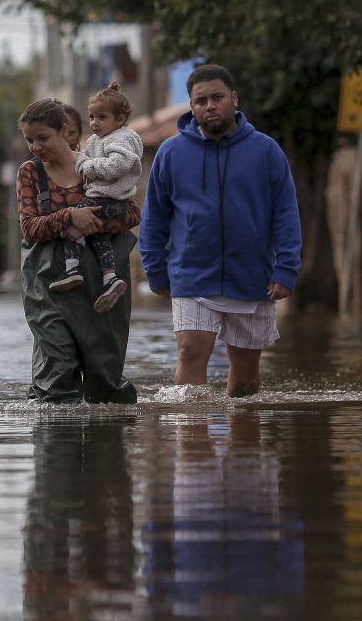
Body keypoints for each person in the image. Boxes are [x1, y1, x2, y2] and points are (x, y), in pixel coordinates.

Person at [139, 64, 302, 398]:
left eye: (217, 97)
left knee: (245, 371)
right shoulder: (171, 153)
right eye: (200, 101)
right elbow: (154, 216)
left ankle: (242, 447)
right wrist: (155, 270)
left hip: (252, 275)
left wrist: (286, 268)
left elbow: (286, 213)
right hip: (191, 274)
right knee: (190, 352)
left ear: (234, 98)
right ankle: (192, 443)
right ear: (191, 106)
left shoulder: (266, 151)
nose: (209, 106)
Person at [16, 98, 141, 404]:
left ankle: (108, 442)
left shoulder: (94, 166)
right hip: (47, 285)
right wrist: (69, 217)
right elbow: (29, 228)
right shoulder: (29, 173)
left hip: (100, 283)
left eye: (43, 138)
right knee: (56, 366)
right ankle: (56, 440)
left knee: (104, 377)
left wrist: (94, 223)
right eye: (29, 140)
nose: (35, 147)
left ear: (65, 131)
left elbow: (131, 214)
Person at [52, 81, 145, 314]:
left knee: (69, 222)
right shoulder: (97, 140)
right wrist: (84, 161)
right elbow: (83, 158)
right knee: (99, 238)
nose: (95, 123)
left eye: (102, 117)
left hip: (106, 200)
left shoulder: (120, 138)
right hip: (110, 202)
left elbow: (117, 164)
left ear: (120, 120)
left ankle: (73, 269)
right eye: (92, 117)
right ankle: (111, 279)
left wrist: (88, 166)